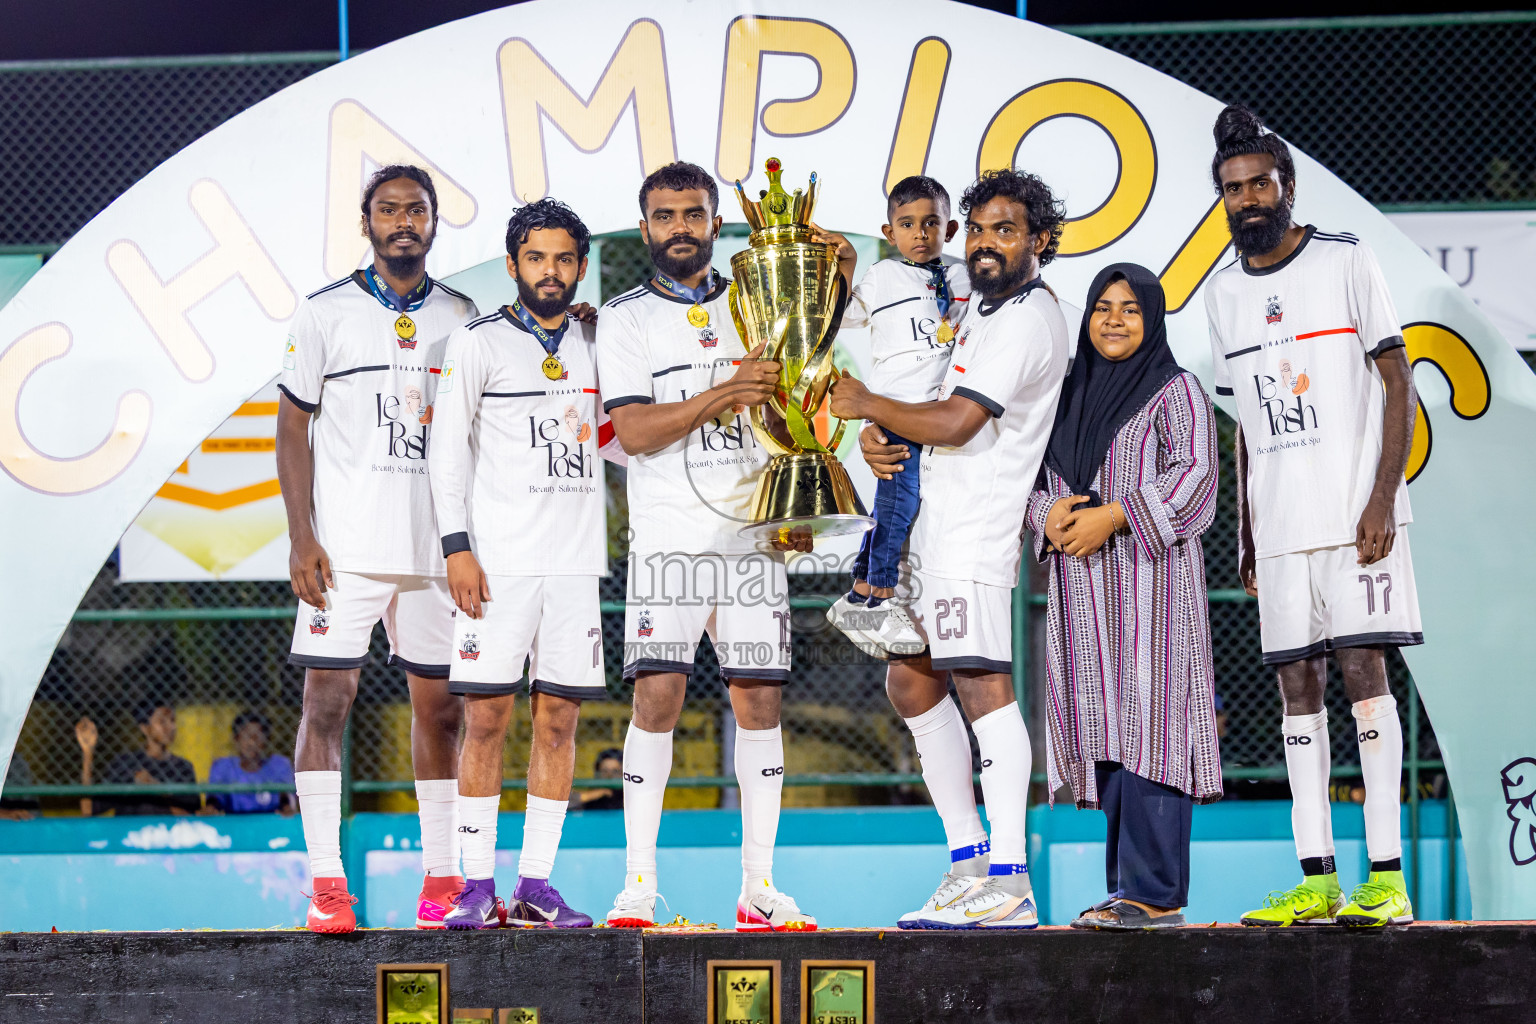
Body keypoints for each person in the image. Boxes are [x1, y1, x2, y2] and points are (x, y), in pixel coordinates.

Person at [831, 169, 1070, 928]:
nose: (988, 244)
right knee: (911, 684)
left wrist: (867, 403)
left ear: (1039, 239)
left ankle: (1009, 880)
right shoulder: (979, 309)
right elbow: (929, 400)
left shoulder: (1031, 316)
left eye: (1007, 230)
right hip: (935, 527)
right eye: (978, 230)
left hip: (975, 530)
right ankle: (968, 862)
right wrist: (879, 433)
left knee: (981, 687)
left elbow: (963, 421)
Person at [1204, 106, 1421, 929]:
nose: (1249, 197)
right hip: (1284, 527)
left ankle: (1388, 879)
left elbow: (1398, 382)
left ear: (1287, 187)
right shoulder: (1223, 294)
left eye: (1260, 183)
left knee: (1366, 680)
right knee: (1298, 690)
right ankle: (1318, 877)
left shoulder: (1345, 260)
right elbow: (1246, 428)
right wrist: (1251, 533)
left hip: (1356, 517)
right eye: (1234, 189)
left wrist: (1381, 498)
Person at [597, 161, 817, 932]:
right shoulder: (625, 319)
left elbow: (796, 407)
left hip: (753, 538)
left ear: (716, 221)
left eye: (693, 214)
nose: (680, 228)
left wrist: (799, 493)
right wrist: (728, 388)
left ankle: (758, 887)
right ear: (645, 224)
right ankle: (636, 885)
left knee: (760, 701)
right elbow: (635, 430)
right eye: (665, 215)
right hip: (671, 540)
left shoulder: (760, 304)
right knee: (657, 698)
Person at [276, 164, 478, 933]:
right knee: (326, 702)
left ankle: (442, 883)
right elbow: (293, 425)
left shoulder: (464, 315)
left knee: (444, 713)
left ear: (432, 222)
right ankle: (327, 884)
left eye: (416, 210)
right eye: (388, 209)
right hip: (348, 550)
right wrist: (302, 534)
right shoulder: (325, 311)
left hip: (436, 550)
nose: (403, 221)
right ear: (367, 222)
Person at [431, 198, 617, 930]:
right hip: (498, 565)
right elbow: (445, 458)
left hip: (574, 567)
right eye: (536, 258)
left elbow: (617, 439)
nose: (551, 271)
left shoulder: (600, 342)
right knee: (485, 719)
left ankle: (536, 884)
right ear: (513, 265)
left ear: (580, 265)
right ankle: (476, 887)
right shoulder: (476, 343)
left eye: (565, 258)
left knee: (559, 722)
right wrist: (458, 549)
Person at [1026, 264, 1222, 930]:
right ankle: (1125, 891)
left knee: (1154, 731)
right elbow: (1030, 477)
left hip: (1152, 591)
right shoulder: (1065, 397)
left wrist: (1115, 516)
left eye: (1131, 310)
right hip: (1082, 595)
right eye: (1103, 307)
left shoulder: (1176, 390)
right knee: (1107, 734)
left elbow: (1195, 476)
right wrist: (1049, 513)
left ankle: (1156, 894)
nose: (1113, 319)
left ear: (1154, 320)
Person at [822, 175, 971, 658]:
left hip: (938, 416)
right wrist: (844, 265)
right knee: (899, 506)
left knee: (892, 505)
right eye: (907, 224)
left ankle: (858, 595)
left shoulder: (966, 277)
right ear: (889, 233)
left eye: (931, 223)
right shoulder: (882, 278)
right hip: (893, 415)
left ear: (949, 230)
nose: (920, 233)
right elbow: (837, 316)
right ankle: (879, 598)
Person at [78, 702, 202, 817]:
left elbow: (192, 816)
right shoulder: (126, 763)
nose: (171, 727)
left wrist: (157, 788)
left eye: (172, 720)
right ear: (145, 728)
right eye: (162, 722)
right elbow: (88, 810)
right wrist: (88, 754)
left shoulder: (183, 767)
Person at [208, 711, 295, 815]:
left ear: (267, 740)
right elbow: (215, 798)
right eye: (246, 736)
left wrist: (286, 807)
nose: (251, 742)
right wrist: (211, 807)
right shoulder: (223, 766)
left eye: (258, 736)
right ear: (236, 739)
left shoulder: (280, 765)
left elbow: (286, 798)